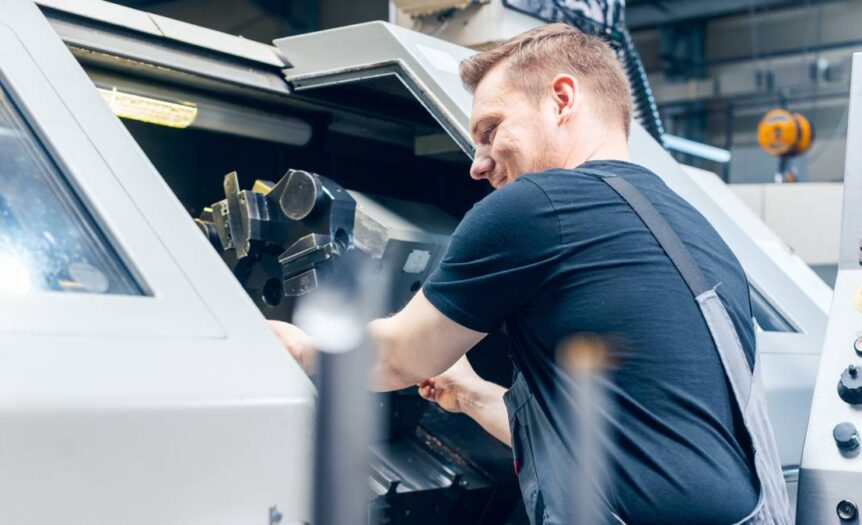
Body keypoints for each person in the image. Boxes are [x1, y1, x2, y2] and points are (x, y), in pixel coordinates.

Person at [270, 23, 791, 524]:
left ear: (562, 99)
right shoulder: (697, 231)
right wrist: (471, 396)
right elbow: (627, 446)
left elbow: (397, 357)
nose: (478, 163)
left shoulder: (538, 205)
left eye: (491, 130)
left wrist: (298, 349)